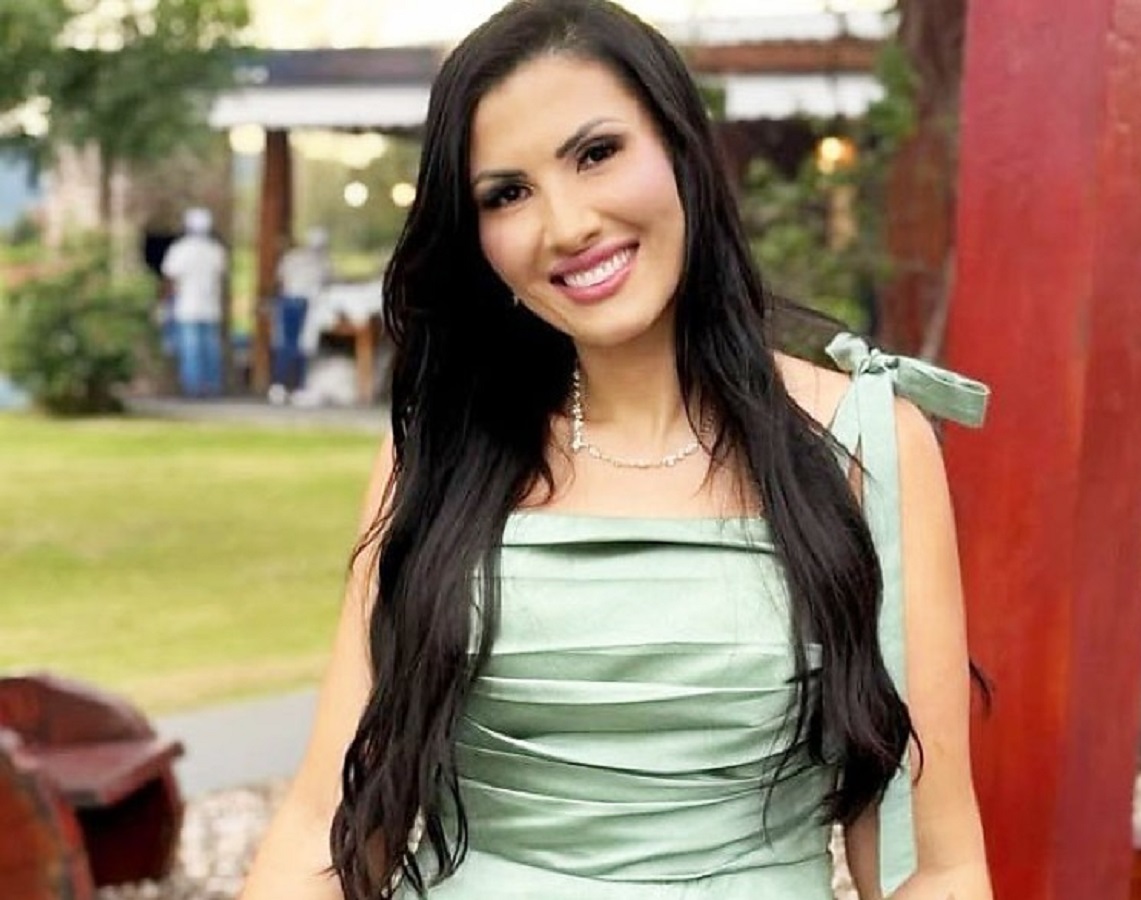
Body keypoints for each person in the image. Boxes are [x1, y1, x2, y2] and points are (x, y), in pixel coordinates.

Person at [239, 2, 994, 899]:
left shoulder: (864, 441)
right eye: (507, 194)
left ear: (680, 149)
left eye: (596, 153)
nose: (567, 225)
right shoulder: (440, 453)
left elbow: (932, 868)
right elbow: (327, 819)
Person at [161, 207, 227, 398]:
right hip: (210, 307)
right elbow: (221, 277)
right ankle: (212, 386)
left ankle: (192, 387)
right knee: (210, 349)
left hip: (187, 307)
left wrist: (165, 303)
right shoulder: (216, 250)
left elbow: (170, 279)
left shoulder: (180, 249)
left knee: (191, 350)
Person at [272, 226, 333, 398]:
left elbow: (280, 279)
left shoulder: (292, 257)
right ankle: (299, 387)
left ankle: (279, 386)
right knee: (304, 346)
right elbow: (328, 283)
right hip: (306, 305)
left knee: (285, 344)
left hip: (287, 301)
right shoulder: (323, 262)